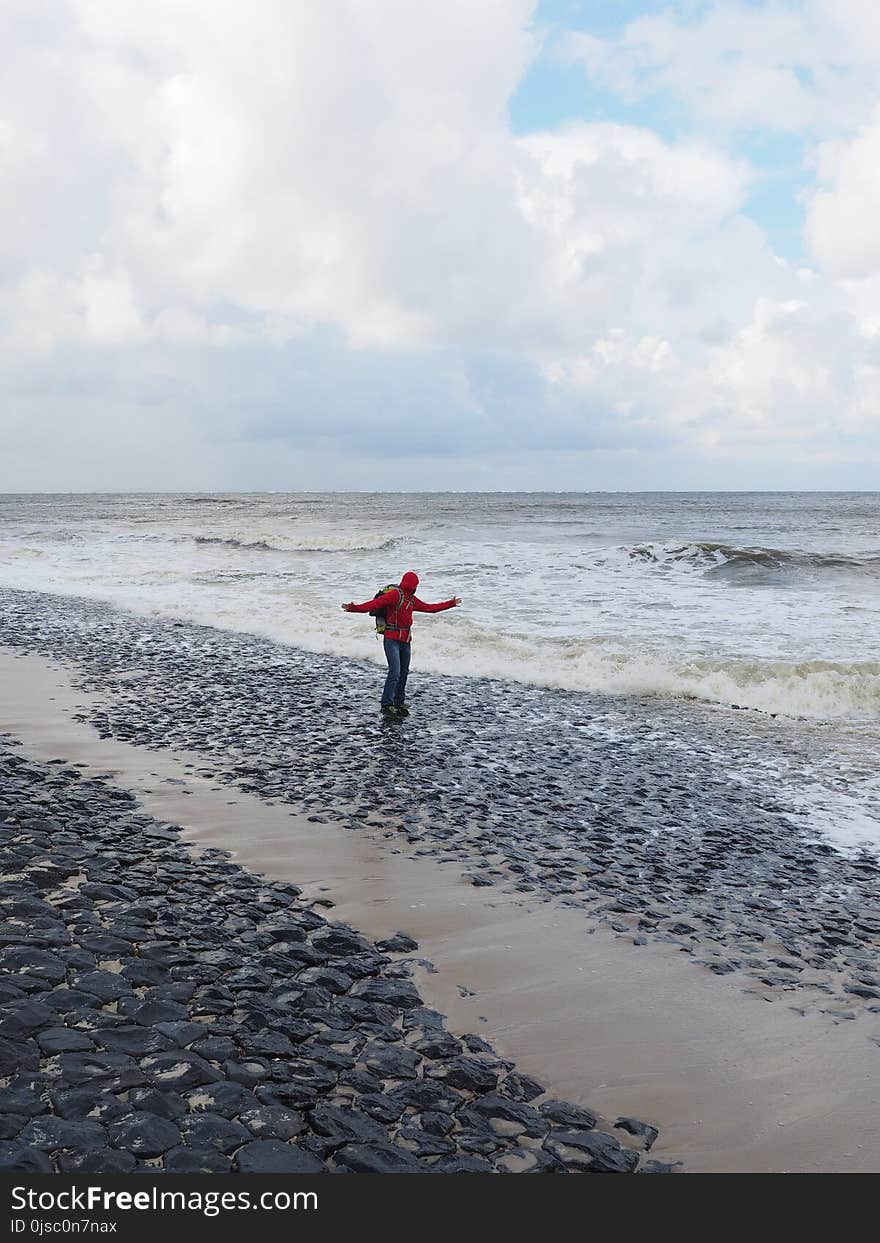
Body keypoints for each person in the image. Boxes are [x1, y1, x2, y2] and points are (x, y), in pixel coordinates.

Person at [342, 572, 461, 719]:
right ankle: (387, 705)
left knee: (403, 673)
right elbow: (374, 604)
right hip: (391, 639)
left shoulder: (411, 599)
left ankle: (399, 703)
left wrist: (451, 603)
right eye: (415, 585)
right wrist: (353, 608)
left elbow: (430, 608)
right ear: (412, 585)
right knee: (395, 672)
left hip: (406, 641)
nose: (416, 588)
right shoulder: (395, 595)